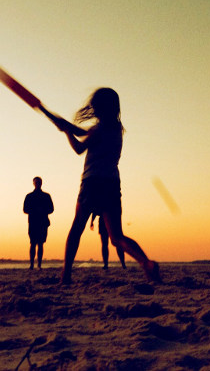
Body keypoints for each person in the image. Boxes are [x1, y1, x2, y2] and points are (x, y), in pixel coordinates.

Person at [53, 88, 160, 284]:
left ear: (100, 107)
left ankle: (65, 276)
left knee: (77, 228)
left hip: (92, 182)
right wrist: (66, 125)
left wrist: (67, 132)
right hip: (111, 183)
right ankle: (146, 263)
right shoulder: (116, 128)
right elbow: (85, 132)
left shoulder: (98, 130)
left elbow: (79, 148)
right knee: (116, 236)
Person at [23, 177, 54, 269]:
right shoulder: (29, 196)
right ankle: (32, 264)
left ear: (41, 183)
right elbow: (25, 209)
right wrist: (35, 210)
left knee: (40, 243)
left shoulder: (46, 196)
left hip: (43, 222)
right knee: (32, 243)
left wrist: (42, 210)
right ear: (33, 183)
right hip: (33, 222)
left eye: (39, 182)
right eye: (36, 182)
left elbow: (51, 209)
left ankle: (39, 265)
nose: (37, 184)